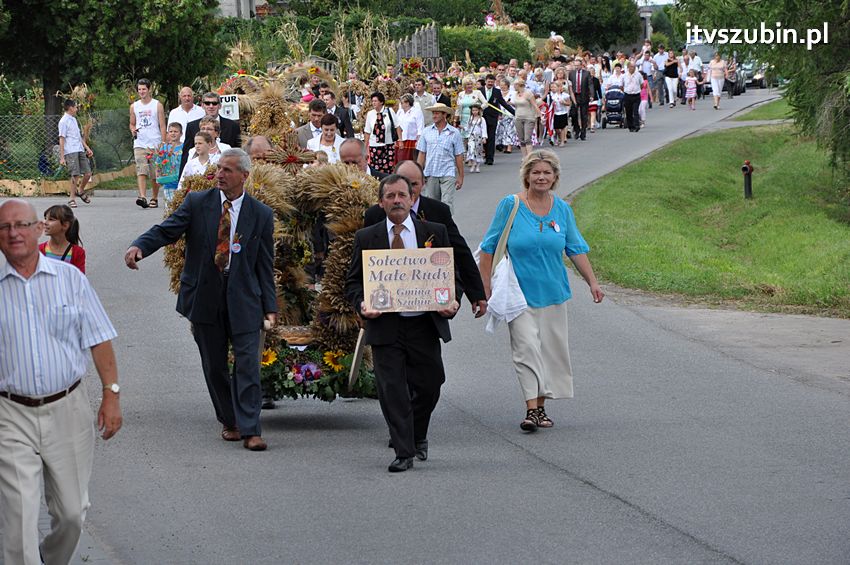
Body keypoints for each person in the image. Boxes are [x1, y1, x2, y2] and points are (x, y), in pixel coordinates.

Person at [125, 149, 277, 451]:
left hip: (245, 298)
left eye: (228, 170)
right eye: (219, 168)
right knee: (215, 365)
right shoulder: (198, 202)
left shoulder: (260, 213)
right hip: (206, 296)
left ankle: (251, 430)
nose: (220, 174)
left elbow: (264, 263)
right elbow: (166, 230)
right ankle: (230, 420)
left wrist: (270, 306)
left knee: (247, 364)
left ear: (244, 176)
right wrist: (139, 246)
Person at [0, 198, 122, 565]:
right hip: (9, 413)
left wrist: (111, 395)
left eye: (22, 225)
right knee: (18, 517)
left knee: (71, 513)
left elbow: (99, 337)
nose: (13, 233)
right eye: (5, 227)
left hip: (67, 408)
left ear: (39, 229)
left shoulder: (70, 280)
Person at [477, 151, 603, 432]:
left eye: (547, 173)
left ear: (555, 177)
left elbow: (575, 248)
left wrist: (592, 282)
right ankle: (532, 410)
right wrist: (484, 288)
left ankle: (541, 407)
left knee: (549, 353)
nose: (541, 177)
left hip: (553, 292)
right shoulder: (510, 205)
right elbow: (488, 247)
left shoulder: (562, 209)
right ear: (526, 176)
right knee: (526, 349)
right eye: (536, 173)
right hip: (517, 293)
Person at [344, 174, 461, 472]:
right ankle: (404, 450)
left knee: (431, 383)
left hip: (423, 324)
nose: (396, 201)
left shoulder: (433, 232)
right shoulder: (367, 237)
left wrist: (453, 301)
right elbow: (354, 283)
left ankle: (418, 433)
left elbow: (451, 277)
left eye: (401, 195)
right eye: (390, 196)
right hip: (385, 326)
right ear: (381, 202)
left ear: (411, 199)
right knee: (392, 389)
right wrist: (362, 304)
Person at [363, 159, 487, 319]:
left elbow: (459, 252)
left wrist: (476, 292)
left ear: (423, 184)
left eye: (413, 184)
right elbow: (364, 261)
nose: (408, 189)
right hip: (385, 310)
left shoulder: (438, 211)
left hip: (425, 309)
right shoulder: (375, 214)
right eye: (402, 182)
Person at [416, 103, 465, 213]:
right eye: (433, 113)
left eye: (437, 113)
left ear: (444, 115)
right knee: (432, 204)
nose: (434, 116)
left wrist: (461, 176)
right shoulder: (426, 131)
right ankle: (436, 228)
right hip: (431, 172)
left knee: (446, 204)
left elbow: (458, 155)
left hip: (448, 172)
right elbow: (422, 154)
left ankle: (447, 227)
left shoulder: (454, 132)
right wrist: (419, 174)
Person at [179, 92, 241, 176]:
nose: (211, 106)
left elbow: (238, 153)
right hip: (199, 177)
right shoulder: (192, 126)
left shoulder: (233, 126)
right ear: (202, 105)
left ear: (220, 106)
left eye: (214, 103)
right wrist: (181, 184)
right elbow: (186, 156)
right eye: (207, 103)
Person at [130, 78, 166, 209]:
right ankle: (143, 197)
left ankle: (154, 198)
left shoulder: (157, 105)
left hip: (154, 143)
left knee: (154, 173)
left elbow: (162, 125)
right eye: (139, 89)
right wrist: (133, 129)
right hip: (140, 143)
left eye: (144, 89)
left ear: (149, 89)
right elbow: (132, 123)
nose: (141, 92)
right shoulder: (134, 106)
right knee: (141, 170)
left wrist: (163, 142)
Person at [58, 99, 94, 209]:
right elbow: (62, 138)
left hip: (79, 149)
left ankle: (81, 190)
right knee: (75, 175)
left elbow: (78, 137)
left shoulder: (73, 120)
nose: (77, 109)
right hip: (70, 151)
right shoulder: (63, 121)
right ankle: (72, 199)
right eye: (76, 107)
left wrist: (87, 148)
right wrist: (62, 156)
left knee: (88, 173)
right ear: (70, 108)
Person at [479, 73, 515, 165]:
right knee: (483, 137)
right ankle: (485, 155)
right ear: (485, 81)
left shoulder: (496, 92)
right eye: (489, 82)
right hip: (481, 117)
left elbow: (503, 103)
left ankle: (490, 158)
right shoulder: (479, 91)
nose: (490, 83)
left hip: (492, 117)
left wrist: (514, 113)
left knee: (491, 137)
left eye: (492, 82)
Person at [363, 92, 402, 175]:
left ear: (381, 102)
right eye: (372, 101)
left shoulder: (389, 111)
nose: (373, 103)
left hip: (388, 145)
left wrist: (400, 140)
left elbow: (397, 126)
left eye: (375, 101)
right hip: (375, 146)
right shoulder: (370, 114)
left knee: (388, 168)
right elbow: (367, 131)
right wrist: (364, 146)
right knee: (375, 168)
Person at [39, 203, 86, 273]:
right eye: (45, 218)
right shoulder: (38, 251)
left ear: (65, 225)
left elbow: (79, 280)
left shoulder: (78, 253)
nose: (45, 222)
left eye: (51, 219)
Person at [154, 122, 184, 203]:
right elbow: (158, 163)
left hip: (182, 181)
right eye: (171, 131)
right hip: (168, 182)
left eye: (176, 131)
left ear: (181, 134)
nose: (173, 133)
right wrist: (158, 174)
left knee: (181, 205)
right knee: (170, 206)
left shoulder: (184, 147)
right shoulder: (164, 147)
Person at [512, 79, 539, 157]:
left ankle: (529, 156)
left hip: (529, 117)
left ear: (519, 85)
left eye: (515, 85)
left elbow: (535, 105)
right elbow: (517, 105)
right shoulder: (515, 94)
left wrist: (540, 115)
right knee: (521, 139)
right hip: (518, 117)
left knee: (527, 138)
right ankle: (524, 157)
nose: (514, 87)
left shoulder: (528, 94)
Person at [395, 94, 424, 163]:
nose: (400, 104)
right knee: (400, 161)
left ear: (407, 103)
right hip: (400, 140)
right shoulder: (399, 112)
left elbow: (420, 127)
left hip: (412, 141)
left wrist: (418, 141)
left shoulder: (417, 112)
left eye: (402, 103)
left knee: (411, 161)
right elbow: (396, 125)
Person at [495, 77, 519, 154]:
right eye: (501, 85)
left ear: (508, 85)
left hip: (510, 114)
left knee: (509, 131)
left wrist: (511, 104)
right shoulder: (497, 93)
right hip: (500, 114)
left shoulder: (513, 93)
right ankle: (503, 145)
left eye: (504, 85)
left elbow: (517, 103)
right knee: (501, 130)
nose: (502, 86)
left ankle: (509, 147)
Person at [569, 64, 592, 141]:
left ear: (581, 65)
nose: (576, 67)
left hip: (583, 95)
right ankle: (576, 129)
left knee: (584, 115)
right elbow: (569, 84)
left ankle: (583, 132)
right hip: (574, 96)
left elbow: (590, 84)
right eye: (575, 65)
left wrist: (591, 95)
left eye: (578, 65)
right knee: (574, 114)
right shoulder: (571, 73)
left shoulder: (586, 73)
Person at [463, 102, 487, 173]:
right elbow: (468, 127)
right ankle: (473, 164)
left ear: (479, 111)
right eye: (473, 110)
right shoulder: (470, 118)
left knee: (478, 151)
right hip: (472, 136)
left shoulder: (482, 119)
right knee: (471, 149)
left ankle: (477, 166)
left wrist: (484, 137)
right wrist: (463, 128)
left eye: (476, 110)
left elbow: (484, 129)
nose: (474, 112)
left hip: (479, 136)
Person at [622, 62, 643, 132]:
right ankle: (630, 126)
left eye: (634, 67)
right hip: (627, 95)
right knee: (628, 112)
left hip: (636, 95)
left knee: (635, 111)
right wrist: (626, 91)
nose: (632, 68)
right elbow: (621, 86)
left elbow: (642, 84)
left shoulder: (638, 75)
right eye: (631, 67)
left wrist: (637, 89)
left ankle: (637, 125)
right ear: (628, 67)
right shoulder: (624, 76)